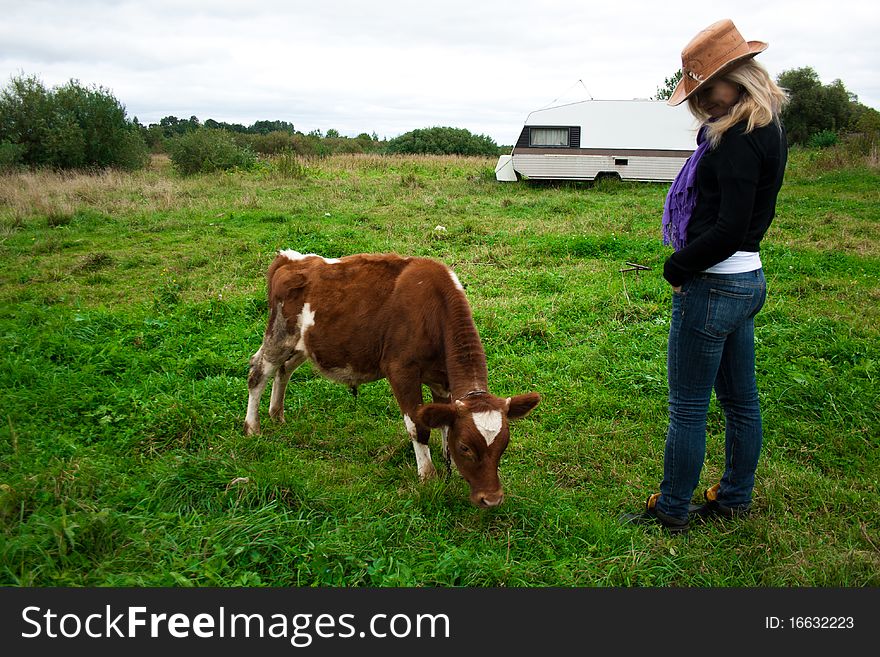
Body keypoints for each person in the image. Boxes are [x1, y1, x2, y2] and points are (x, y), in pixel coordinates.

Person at [624, 18, 789, 533]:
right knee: (741, 401)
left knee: (689, 408)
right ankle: (736, 496)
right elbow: (750, 221)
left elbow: (729, 226)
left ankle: (672, 508)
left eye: (708, 90)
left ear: (740, 75)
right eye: (697, 95)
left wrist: (679, 265)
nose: (703, 104)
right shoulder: (767, 129)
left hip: (715, 283)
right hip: (748, 280)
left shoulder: (737, 139)